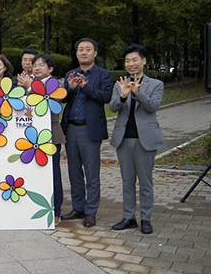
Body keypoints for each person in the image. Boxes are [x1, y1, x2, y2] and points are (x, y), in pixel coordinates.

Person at [109, 44, 165, 235]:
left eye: (134, 60)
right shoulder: (120, 83)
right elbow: (113, 107)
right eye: (127, 61)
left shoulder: (156, 84)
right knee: (127, 181)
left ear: (143, 61)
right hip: (124, 139)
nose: (131, 64)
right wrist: (123, 96)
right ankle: (129, 217)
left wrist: (137, 93)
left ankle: (146, 218)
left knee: (145, 182)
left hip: (145, 140)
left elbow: (152, 106)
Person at [60, 38, 113, 228]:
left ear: (95, 53)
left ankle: (91, 212)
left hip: (89, 130)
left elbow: (105, 97)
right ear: (76, 53)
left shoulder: (104, 75)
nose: (83, 52)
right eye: (80, 50)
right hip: (71, 128)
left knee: (91, 173)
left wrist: (85, 86)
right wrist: (71, 88)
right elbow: (63, 99)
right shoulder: (70, 74)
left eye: (88, 49)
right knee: (74, 172)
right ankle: (78, 207)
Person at [31, 54, 65, 224]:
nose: (37, 68)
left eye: (41, 65)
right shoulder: (30, 83)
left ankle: (56, 210)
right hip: (33, 138)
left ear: (50, 69)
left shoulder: (55, 84)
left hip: (51, 135)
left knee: (53, 174)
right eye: (35, 65)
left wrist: (30, 87)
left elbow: (53, 102)